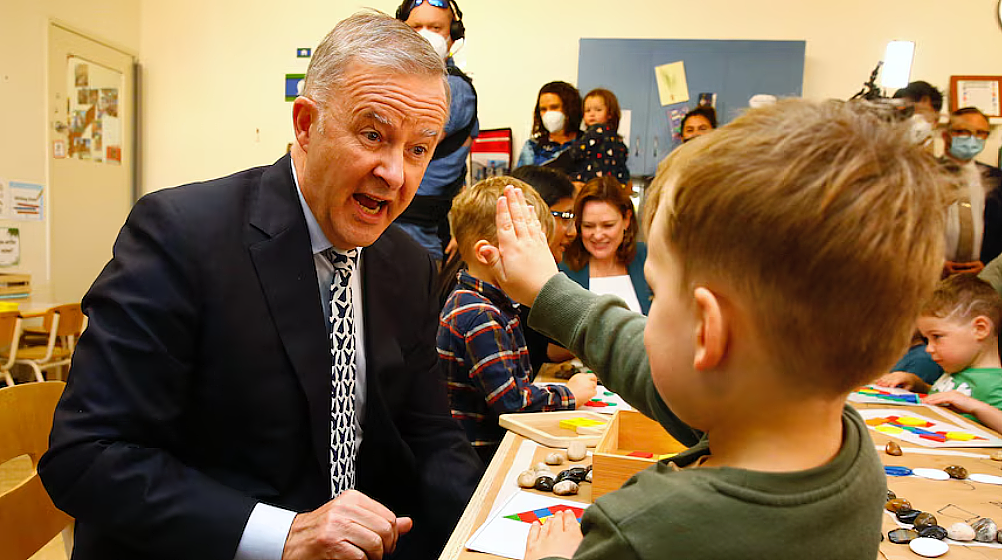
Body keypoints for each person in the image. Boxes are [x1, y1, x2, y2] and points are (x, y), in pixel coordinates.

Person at [38, 12, 481, 560]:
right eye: (373, 135)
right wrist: (284, 535)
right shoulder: (181, 235)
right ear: (305, 124)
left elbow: (432, 436)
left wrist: (489, 532)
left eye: (419, 149)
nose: (396, 173)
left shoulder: (406, 264)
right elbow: (87, 456)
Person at [478, 98, 950, 559]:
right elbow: (647, 363)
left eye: (657, 294)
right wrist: (548, 291)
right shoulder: (849, 452)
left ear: (707, 331)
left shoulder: (640, 531)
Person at [438, 177, 597, 464]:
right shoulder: (480, 316)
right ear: (487, 254)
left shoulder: (494, 305)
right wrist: (569, 394)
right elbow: (511, 404)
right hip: (479, 461)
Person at [393, 0, 479, 263]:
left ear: (453, 36)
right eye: (416, 26)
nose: (425, 34)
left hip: (418, 238)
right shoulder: (401, 81)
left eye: (435, 27)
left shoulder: (454, 89)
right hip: (389, 227)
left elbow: (403, 141)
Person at [877, 274, 1002, 423]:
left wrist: (975, 407)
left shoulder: (995, 385)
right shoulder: (957, 370)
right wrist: (918, 384)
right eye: (927, 339)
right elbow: (943, 397)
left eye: (937, 337)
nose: (929, 349)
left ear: (980, 329)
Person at [559, 176, 651, 315]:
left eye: (608, 225)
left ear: (626, 219)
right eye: (588, 226)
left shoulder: (647, 258)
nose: (598, 235)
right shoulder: (563, 268)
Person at [940, 107, 1002, 270]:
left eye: (981, 133)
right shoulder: (922, 175)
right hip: (929, 275)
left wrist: (987, 264)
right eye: (963, 131)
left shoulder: (996, 178)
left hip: (982, 276)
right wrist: (936, 264)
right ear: (946, 135)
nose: (972, 139)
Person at [565, 88, 629, 185]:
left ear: (610, 113)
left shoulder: (596, 131)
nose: (592, 114)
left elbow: (576, 152)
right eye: (587, 111)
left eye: (598, 110)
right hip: (609, 186)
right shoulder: (618, 139)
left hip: (589, 183)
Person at [516, 81, 583, 168]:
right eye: (543, 109)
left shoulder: (587, 142)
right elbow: (520, 180)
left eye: (554, 107)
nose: (548, 114)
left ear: (570, 108)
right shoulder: (532, 146)